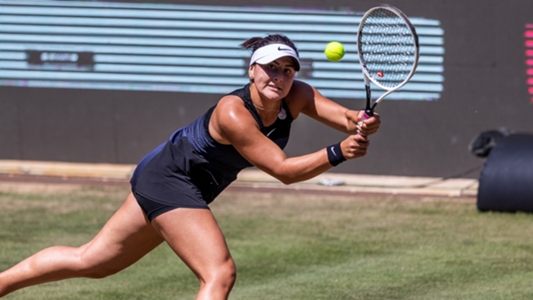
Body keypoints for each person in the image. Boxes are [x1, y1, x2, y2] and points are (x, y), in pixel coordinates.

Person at [0, 34, 380, 299]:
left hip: (173, 179)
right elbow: (282, 170)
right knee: (219, 272)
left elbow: (348, 117)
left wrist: (362, 122)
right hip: (169, 178)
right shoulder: (232, 112)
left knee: (93, 261)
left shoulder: (296, 94)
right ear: (251, 70)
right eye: (270, 68)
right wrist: (339, 152)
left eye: (287, 69)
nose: (278, 77)